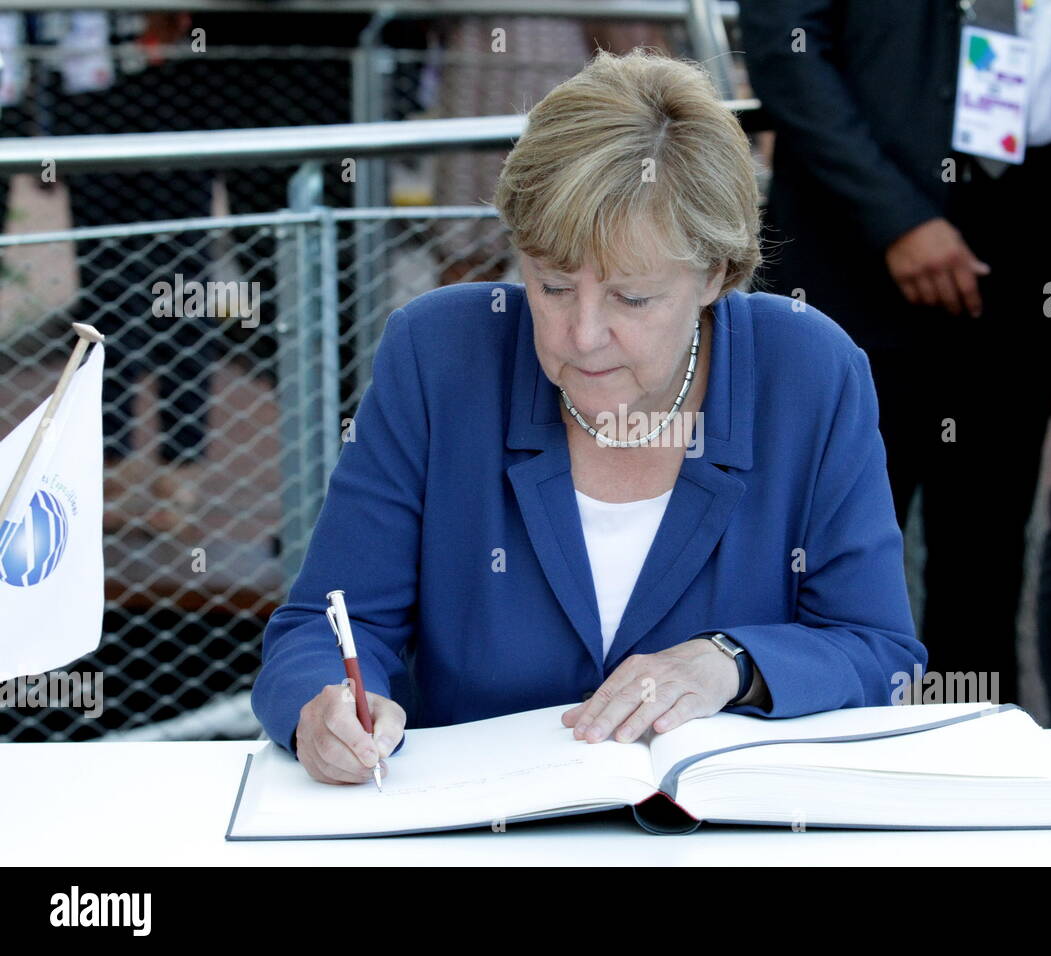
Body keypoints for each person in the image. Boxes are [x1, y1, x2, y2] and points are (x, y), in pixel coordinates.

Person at [251, 49, 924, 785]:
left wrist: (731, 662)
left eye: (632, 298)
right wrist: (323, 710)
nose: (583, 334)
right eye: (551, 285)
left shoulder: (808, 369)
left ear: (716, 274)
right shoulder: (441, 354)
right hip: (479, 832)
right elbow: (329, 622)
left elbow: (877, 649)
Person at [738, 0, 1051, 705]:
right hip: (856, 249)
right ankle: (809, 787)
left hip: (1033, 246)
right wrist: (897, 220)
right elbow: (788, 47)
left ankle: (969, 777)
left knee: (987, 567)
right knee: (815, 564)